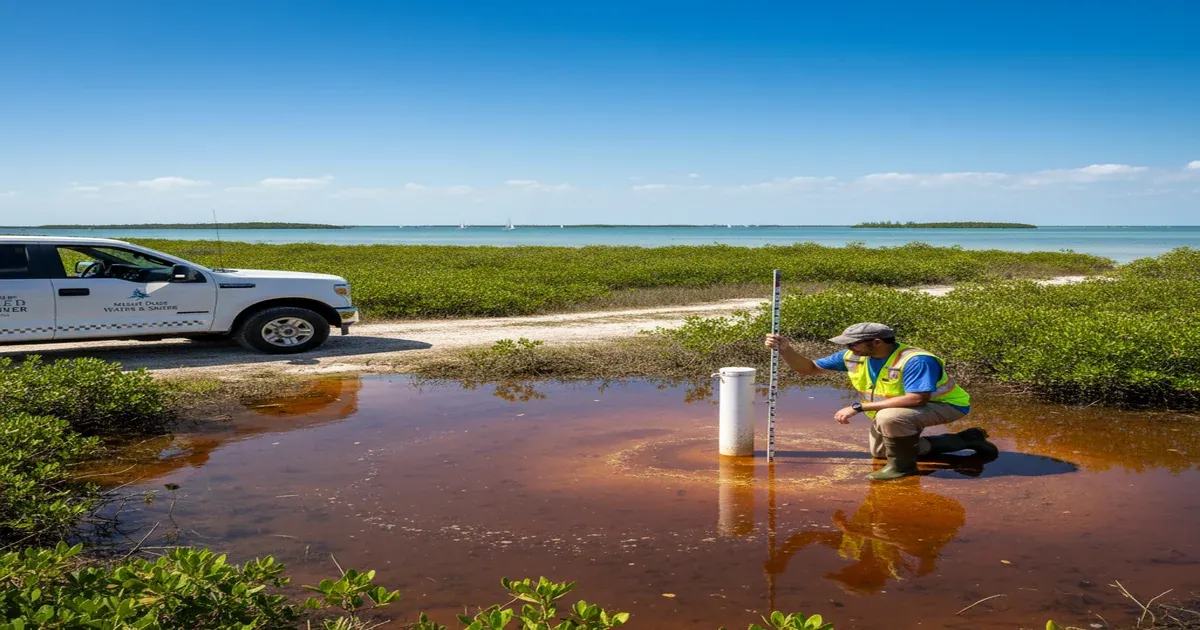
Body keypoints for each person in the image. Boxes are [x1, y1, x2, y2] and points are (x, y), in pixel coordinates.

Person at [764, 322, 997, 481]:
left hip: (946, 406)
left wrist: (858, 407)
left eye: (853, 343)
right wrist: (786, 350)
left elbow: (918, 398)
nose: (848, 348)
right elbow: (809, 369)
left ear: (876, 342)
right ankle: (966, 440)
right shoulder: (852, 356)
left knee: (890, 418)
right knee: (882, 452)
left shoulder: (917, 360)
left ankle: (903, 468)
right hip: (904, 409)